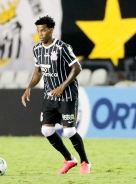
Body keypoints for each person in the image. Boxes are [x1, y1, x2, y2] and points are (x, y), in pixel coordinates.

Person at [21, 16, 91, 174]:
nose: (40, 33)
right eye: (38, 30)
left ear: (51, 30)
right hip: (49, 96)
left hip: (66, 95)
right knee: (46, 131)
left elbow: (77, 67)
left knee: (69, 132)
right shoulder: (37, 49)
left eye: (43, 30)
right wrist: (29, 87)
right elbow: (38, 72)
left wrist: (62, 86)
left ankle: (85, 162)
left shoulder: (62, 47)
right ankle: (69, 159)